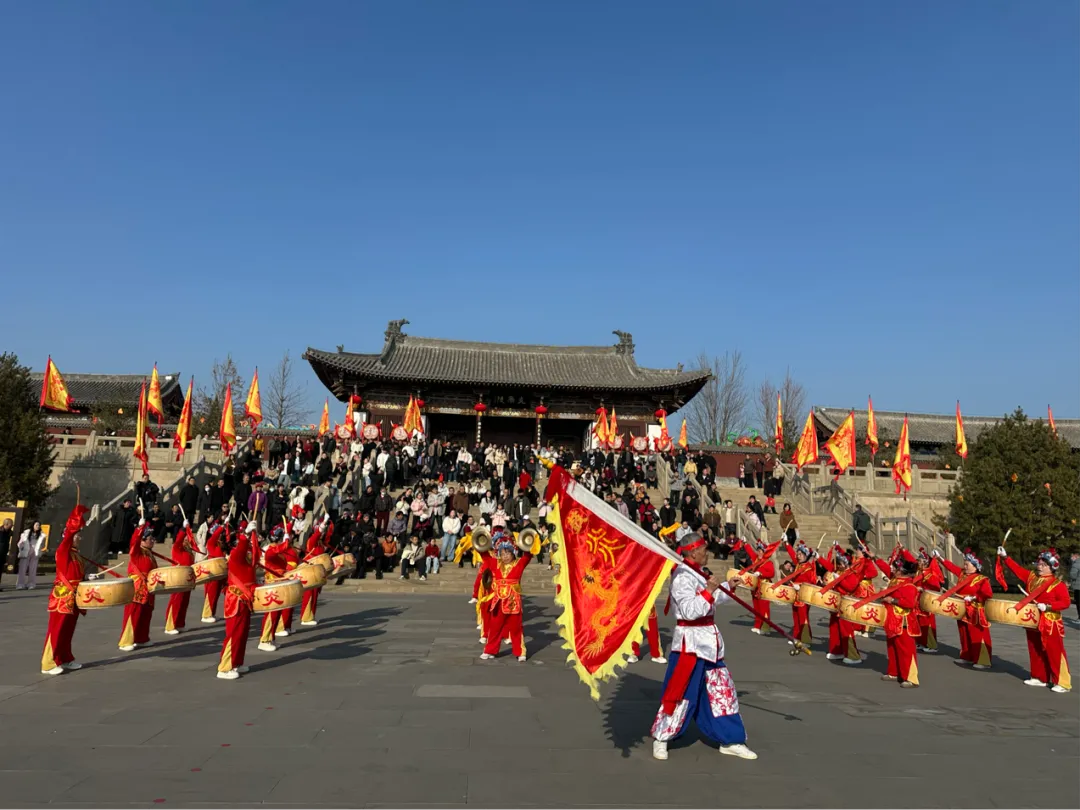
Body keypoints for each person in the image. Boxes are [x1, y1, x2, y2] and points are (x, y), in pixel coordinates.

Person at [651, 533, 756, 762]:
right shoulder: (681, 577)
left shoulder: (698, 572)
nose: (707, 553)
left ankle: (731, 739)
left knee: (721, 693)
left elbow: (712, 601)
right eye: (704, 549)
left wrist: (727, 586)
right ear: (693, 551)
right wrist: (709, 590)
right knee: (680, 693)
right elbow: (689, 611)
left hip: (709, 643)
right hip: (690, 644)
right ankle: (662, 737)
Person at [998, 546, 1071, 693]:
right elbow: (1018, 570)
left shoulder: (1058, 585)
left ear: (1051, 567)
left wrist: (1049, 606)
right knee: (1035, 648)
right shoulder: (1032, 577)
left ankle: (1062, 682)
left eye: (1044, 565)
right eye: (1039, 563)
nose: (1040, 566)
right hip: (1032, 618)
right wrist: (1006, 558)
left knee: (1054, 651)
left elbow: (1066, 602)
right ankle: (1039, 677)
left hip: (1050, 621)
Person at [40, 505, 89, 675]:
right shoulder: (63, 551)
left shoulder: (76, 554)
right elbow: (68, 537)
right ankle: (49, 663)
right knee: (57, 629)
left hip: (74, 596)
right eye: (77, 535)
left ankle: (65, 658)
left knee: (68, 630)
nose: (80, 538)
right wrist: (74, 521)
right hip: (62, 596)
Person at [479, 531, 532, 661]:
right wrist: (481, 541)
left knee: (516, 628)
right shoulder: (496, 563)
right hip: (498, 601)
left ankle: (520, 652)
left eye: (508, 553)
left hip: (513, 601)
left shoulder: (519, 564)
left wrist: (527, 542)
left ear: (513, 553)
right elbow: (485, 556)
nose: (505, 556)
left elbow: (528, 555)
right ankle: (490, 650)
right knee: (494, 627)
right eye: (502, 554)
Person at [937, 548, 993, 668]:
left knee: (977, 635)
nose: (965, 566)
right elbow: (951, 568)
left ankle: (982, 660)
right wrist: (940, 558)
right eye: (965, 564)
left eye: (967, 564)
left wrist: (973, 597)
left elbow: (987, 594)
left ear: (975, 566)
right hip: (962, 608)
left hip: (975, 610)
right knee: (964, 634)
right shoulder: (963, 574)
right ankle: (967, 656)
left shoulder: (982, 579)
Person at [217, 527, 257, 680]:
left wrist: (252, 536)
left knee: (242, 633)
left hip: (244, 598)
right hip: (236, 599)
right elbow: (242, 548)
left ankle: (236, 663)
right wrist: (246, 535)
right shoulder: (235, 555)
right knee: (234, 634)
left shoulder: (243, 556)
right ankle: (224, 667)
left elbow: (254, 556)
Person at [878, 550, 921, 688]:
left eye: (895, 568)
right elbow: (885, 568)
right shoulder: (895, 580)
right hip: (892, 620)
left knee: (906, 650)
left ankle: (911, 678)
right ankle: (894, 672)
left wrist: (892, 600)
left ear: (901, 571)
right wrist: (875, 559)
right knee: (892, 647)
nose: (892, 569)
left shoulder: (909, 585)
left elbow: (910, 603)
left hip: (904, 622)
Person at [119, 522, 156, 651]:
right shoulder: (137, 552)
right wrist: (140, 529)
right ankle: (126, 641)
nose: (153, 541)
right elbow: (134, 542)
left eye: (153, 538)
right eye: (150, 539)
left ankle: (141, 638)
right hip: (137, 587)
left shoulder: (149, 553)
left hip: (148, 587)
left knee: (146, 614)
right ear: (143, 540)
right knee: (133, 614)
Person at [258, 528, 292, 652]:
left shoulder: (276, 550)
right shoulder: (270, 551)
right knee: (271, 613)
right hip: (273, 584)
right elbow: (278, 550)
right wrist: (286, 541)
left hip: (279, 583)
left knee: (277, 613)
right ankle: (264, 640)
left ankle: (271, 638)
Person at [163, 522, 196, 635]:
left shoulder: (188, 550)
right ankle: (170, 625)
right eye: (186, 537)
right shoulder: (177, 548)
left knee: (184, 602)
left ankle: (180, 623)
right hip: (178, 577)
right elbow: (178, 541)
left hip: (187, 578)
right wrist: (183, 529)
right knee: (176, 601)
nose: (188, 538)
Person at [912, 548, 945, 653]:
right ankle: (922, 642)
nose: (918, 562)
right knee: (919, 622)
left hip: (927, 601)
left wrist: (923, 589)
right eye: (918, 560)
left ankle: (932, 645)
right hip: (918, 601)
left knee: (928, 624)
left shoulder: (931, 574)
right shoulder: (919, 572)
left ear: (926, 562)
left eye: (920, 560)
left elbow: (936, 588)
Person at [740, 539, 776, 635]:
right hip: (756, 586)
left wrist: (761, 573)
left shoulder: (768, 562)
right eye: (758, 551)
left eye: (761, 551)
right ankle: (757, 625)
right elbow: (750, 552)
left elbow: (772, 573)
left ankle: (765, 627)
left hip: (764, 587)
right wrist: (746, 544)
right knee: (756, 608)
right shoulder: (756, 559)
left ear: (765, 552)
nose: (759, 553)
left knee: (764, 608)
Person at [785, 543, 818, 646]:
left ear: (805, 555)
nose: (798, 556)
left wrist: (800, 587)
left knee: (803, 618)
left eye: (800, 554)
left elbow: (811, 582)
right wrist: (787, 544)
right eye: (798, 554)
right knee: (795, 617)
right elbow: (791, 554)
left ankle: (805, 639)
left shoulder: (809, 568)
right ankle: (797, 637)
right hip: (795, 595)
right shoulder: (798, 565)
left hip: (804, 595)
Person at [300, 516, 331, 626]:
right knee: (309, 595)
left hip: (318, 572)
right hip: (310, 572)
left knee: (315, 596)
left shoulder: (320, 544)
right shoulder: (311, 541)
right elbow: (317, 534)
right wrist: (324, 523)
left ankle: (311, 615)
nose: (322, 534)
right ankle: (305, 617)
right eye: (321, 531)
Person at [200, 519, 228, 623]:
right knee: (210, 594)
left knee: (216, 594)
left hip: (220, 572)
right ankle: (206, 615)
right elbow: (214, 536)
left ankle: (212, 613)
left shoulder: (221, 545)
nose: (221, 536)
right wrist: (221, 526)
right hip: (212, 573)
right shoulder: (211, 543)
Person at [17, 521, 48, 589]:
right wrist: (22, 548)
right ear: (33, 525)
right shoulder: (26, 533)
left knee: (33, 569)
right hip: (26, 551)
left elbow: (43, 545)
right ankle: (20, 584)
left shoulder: (42, 535)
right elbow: (20, 542)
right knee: (22, 568)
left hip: (35, 552)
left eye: (39, 525)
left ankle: (31, 584)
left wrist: (39, 549)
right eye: (36, 525)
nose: (38, 526)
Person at [0, 517, 11, 590]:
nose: (12, 526)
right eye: (11, 524)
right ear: (6, 524)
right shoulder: (0, 532)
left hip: (3, 554)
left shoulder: (8, 532)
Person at [1069, 551, 1080, 623]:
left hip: (1078, 586)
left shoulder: (1076, 564)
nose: (1071, 558)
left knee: (1079, 603)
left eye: (1072, 556)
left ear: (1076, 556)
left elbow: (1073, 575)